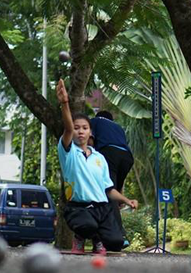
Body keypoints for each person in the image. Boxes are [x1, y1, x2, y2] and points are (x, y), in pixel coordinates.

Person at [55, 79, 138, 254]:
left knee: (115, 242)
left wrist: (126, 200)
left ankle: (98, 238)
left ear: (91, 132)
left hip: (101, 209)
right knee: (87, 225)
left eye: (85, 127)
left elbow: (108, 188)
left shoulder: (100, 157)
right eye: (77, 128)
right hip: (79, 208)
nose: (80, 131)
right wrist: (64, 103)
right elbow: (68, 129)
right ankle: (80, 236)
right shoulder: (68, 153)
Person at [89, 110, 134, 245]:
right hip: (127, 157)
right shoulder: (118, 127)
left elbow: (90, 141)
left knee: (108, 193)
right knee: (115, 193)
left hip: (109, 154)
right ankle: (116, 227)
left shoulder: (95, 121)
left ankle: (120, 235)